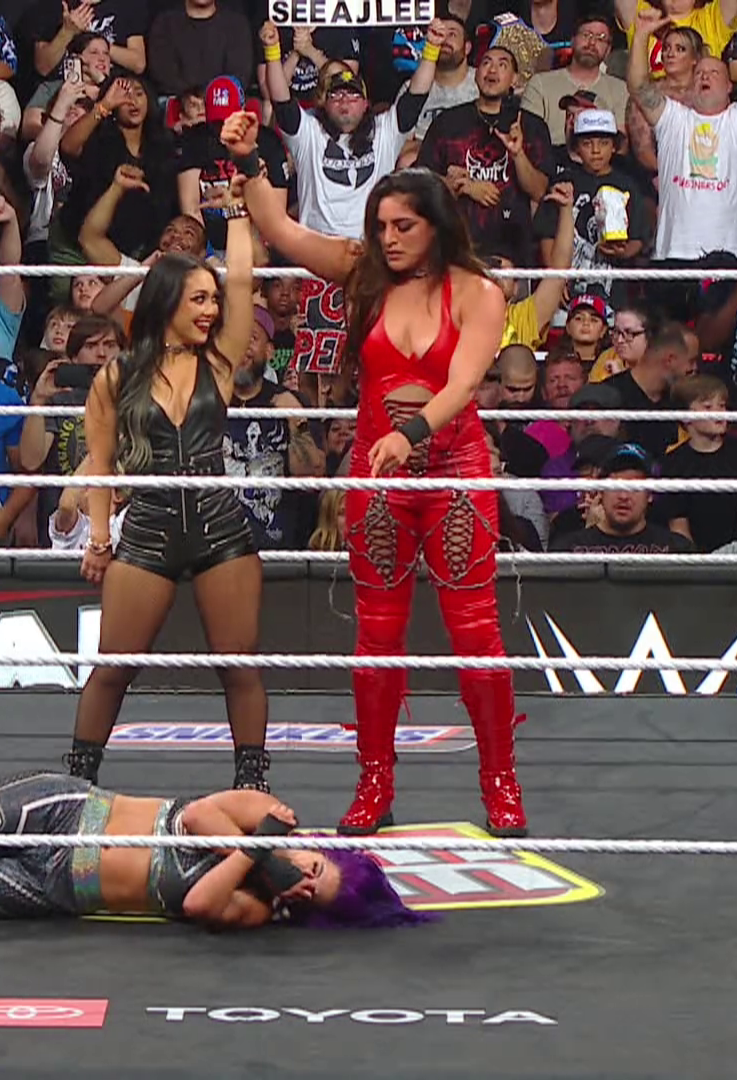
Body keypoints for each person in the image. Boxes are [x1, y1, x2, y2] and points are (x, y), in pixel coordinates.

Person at [228, 112, 525, 838]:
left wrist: (411, 432)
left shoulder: (479, 293)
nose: (388, 239)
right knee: (376, 637)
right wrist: (251, 155)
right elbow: (281, 229)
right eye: (381, 225)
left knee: (477, 635)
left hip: (452, 467)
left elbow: (463, 383)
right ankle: (374, 783)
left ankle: (501, 783)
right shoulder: (364, 272)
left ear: (436, 226)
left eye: (403, 226)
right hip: (378, 470)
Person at [63, 165, 269, 793]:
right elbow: (100, 464)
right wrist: (100, 538)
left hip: (220, 528)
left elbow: (242, 281)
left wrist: (238, 213)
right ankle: (76, 786)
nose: (212, 309)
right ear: (168, 302)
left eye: (212, 299)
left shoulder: (222, 360)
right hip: (149, 526)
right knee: (113, 668)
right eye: (198, 299)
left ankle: (251, 785)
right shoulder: (116, 375)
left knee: (238, 665)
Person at [0, 773, 431, 931]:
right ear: (318, 850)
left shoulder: (255, 906)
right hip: (66, 810)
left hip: (51, 888)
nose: (302, 881)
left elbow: (198, 904)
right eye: (315, 870)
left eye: (310, 894)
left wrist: (261, 859)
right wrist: (265, 843)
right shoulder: (267, 812)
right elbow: (196, 816)